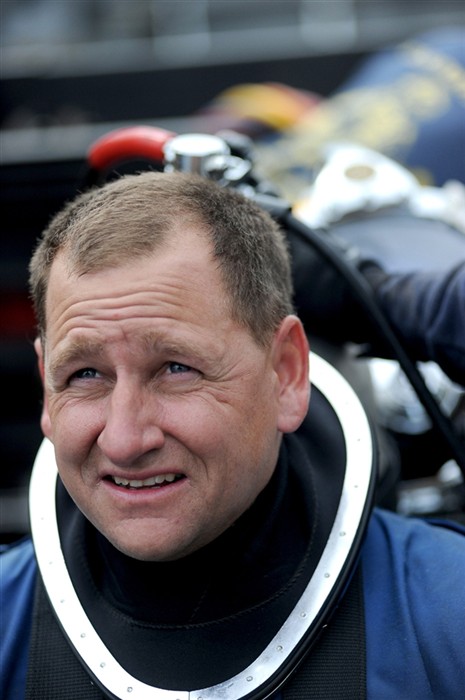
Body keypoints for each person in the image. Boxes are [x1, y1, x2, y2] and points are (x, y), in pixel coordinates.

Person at [1, 171, 464, 700]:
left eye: (176, 368)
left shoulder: (447, 617)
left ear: (286, 373)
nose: (124, 440)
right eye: (84, 375)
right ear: (45, 385)